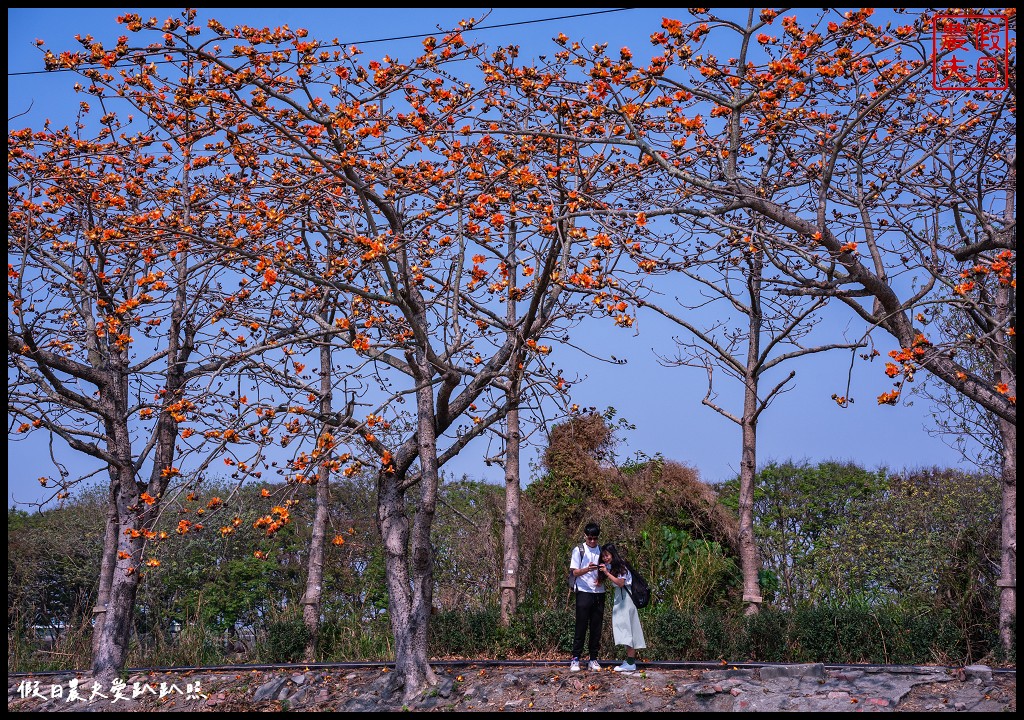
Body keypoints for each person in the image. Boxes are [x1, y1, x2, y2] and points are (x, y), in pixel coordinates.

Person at [598, 542, 646, 673]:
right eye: (603, 556)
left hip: (625, 599)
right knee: (627, 629)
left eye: (607, 555)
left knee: (626, 630)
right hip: (621, 598)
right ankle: (630, 661)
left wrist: (607, 573)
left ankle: (631, 663)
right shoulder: (614, 566)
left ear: (613, 554)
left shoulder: (621, 567)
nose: (605, 558)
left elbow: (620, 583)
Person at [567, 522, 605, 672]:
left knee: (596, 627)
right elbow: (574, 572)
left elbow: (607, 569)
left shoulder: (602, 550)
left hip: (599, 592)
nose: (593, 541)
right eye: (590, 538)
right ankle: (575, 658)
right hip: (583, 591)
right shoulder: (579, 550)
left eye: (595, 538)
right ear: (585, 536)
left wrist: (601, 577)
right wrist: (586, 569)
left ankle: (593, 658)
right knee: (581, 625)